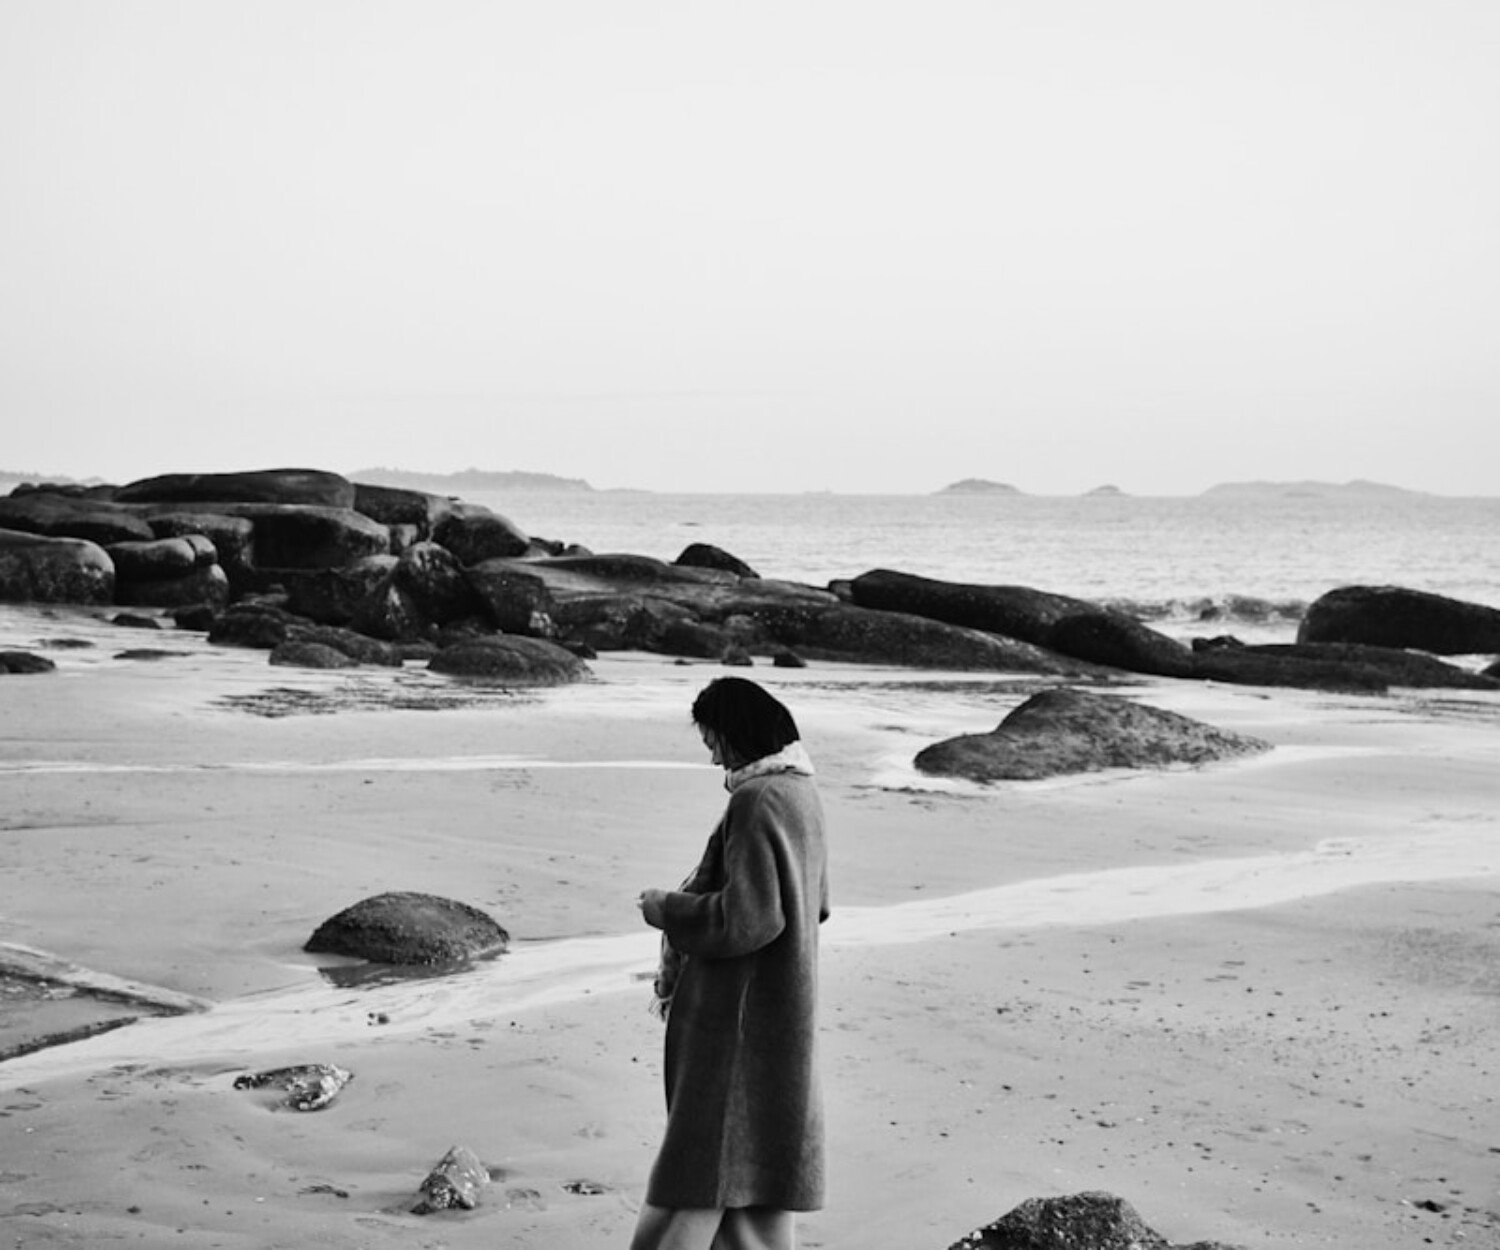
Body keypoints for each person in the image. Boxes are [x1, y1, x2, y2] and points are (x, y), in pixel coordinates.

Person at [632, 676, 830, 1250]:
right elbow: (814, 904)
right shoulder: (803, 794)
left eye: (714, 739)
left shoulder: (758, 798)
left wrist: (666, 908)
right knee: (754, 1189)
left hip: (735, 1022)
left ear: (738, 733)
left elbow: (748, 920)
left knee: (705, 1175)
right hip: (781, 1012)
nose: (713, 753)